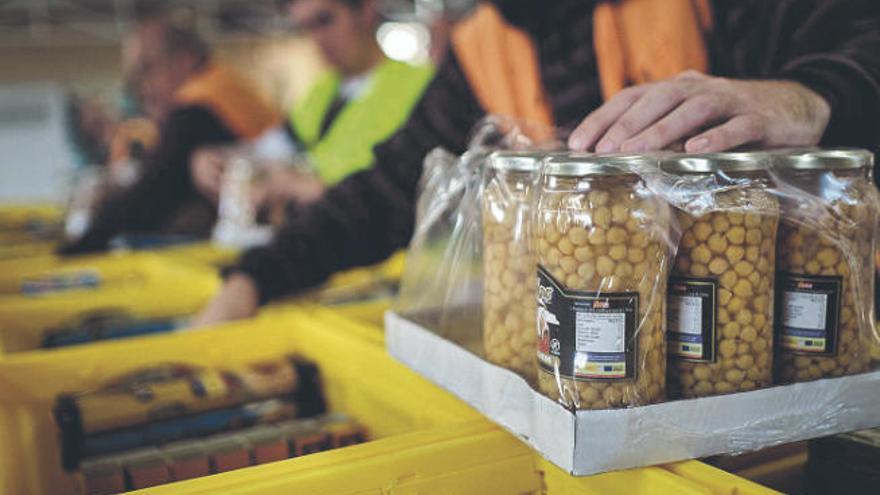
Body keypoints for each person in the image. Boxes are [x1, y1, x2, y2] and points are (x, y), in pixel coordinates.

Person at [193, 0, 880, 326]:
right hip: (610, 367)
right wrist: (254, 278)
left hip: (803, 343)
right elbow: (393, 185)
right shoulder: (481, 46)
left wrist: (811, 94)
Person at [189, 0, 435, 213]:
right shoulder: (321, 93)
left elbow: (414, 192)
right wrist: (216, 159)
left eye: (325, 20)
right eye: (306, 28)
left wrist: (310, 188)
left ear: (366, 10)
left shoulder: (423, 88)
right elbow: (268, 149)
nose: (317, 39)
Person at [60, 16, 279, 253]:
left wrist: (82, 244)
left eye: (147, 69)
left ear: (185, 59)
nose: (143, 88)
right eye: (134, 79)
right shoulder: (224, 84)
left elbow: (150, 195)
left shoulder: (198, 107)